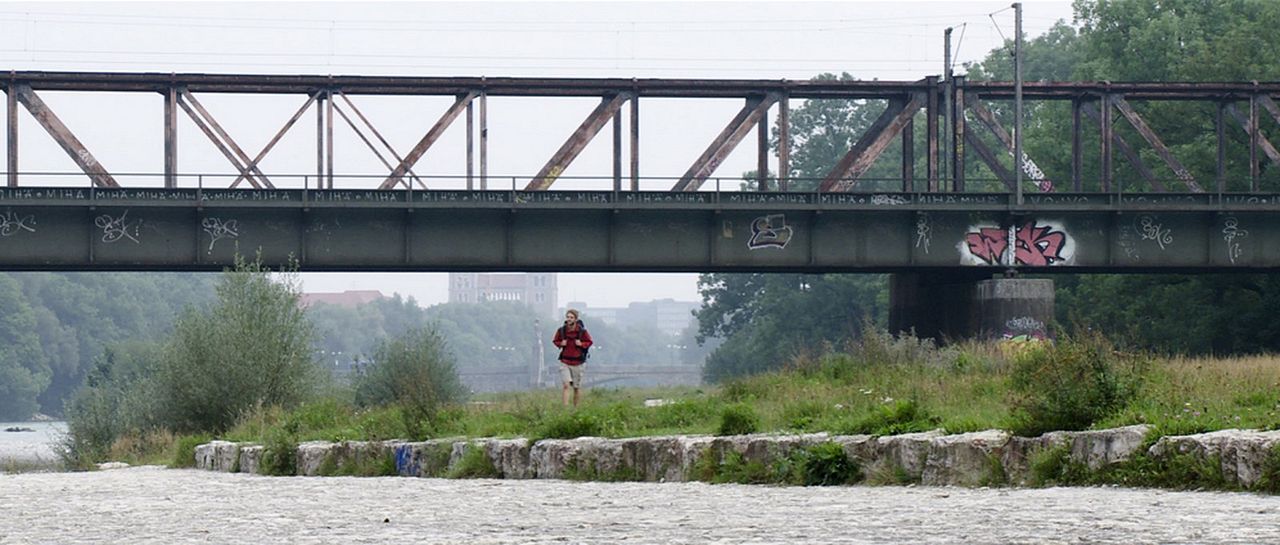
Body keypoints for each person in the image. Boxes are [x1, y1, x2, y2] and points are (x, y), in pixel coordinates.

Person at [552, 309, 593, 407]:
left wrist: (581, 344)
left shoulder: (582, 331)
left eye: (571, 317)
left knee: (576, 387)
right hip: (565, 361)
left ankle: (575, 408)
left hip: (578, 362)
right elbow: (555, 340)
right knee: (566, 385)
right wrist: (560, 343)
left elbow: (590, 342)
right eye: (568, 317)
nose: (569, 319)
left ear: (575, 319)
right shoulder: (561, 330)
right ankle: (565, 408)